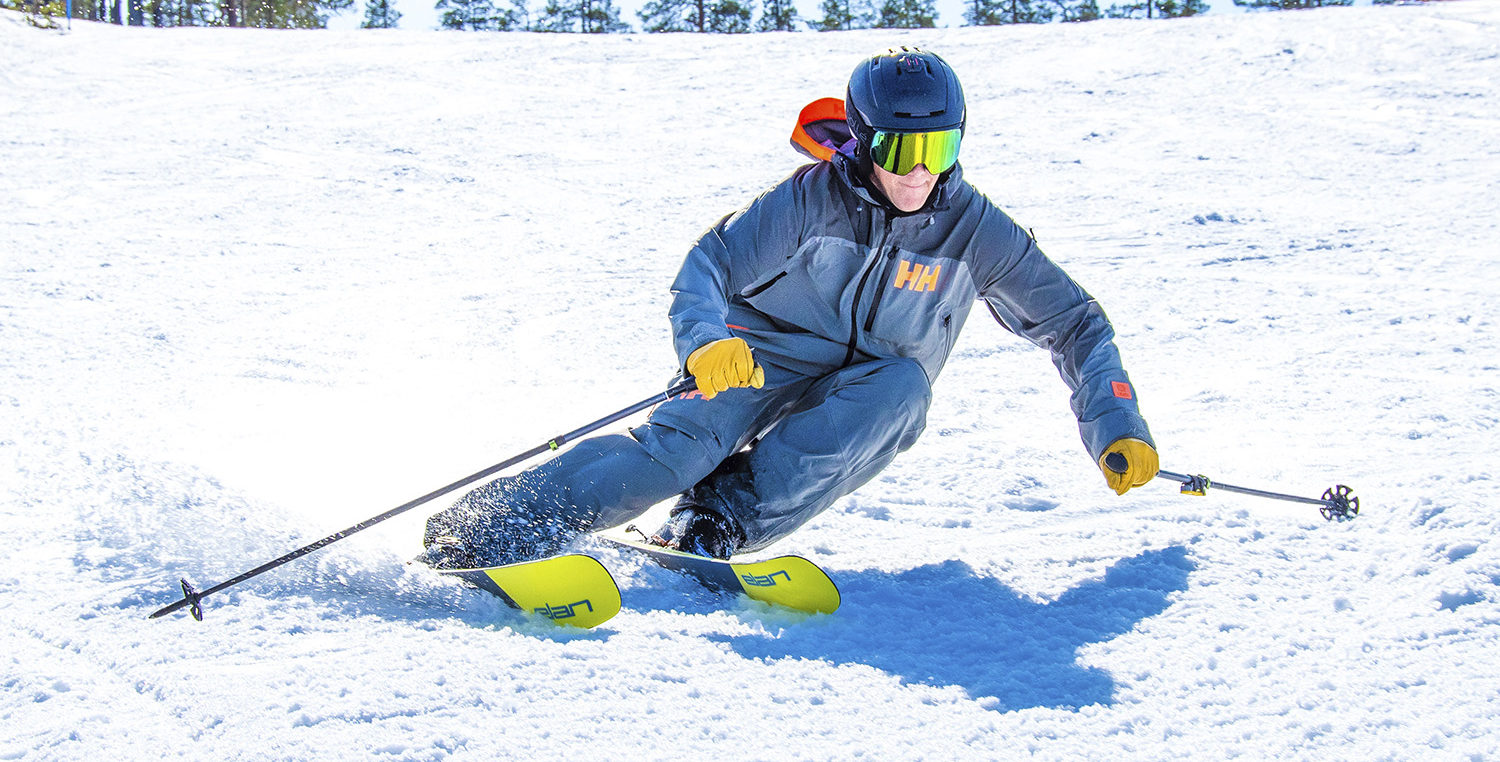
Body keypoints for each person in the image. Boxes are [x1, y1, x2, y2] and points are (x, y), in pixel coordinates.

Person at [420, 47, 1158, 568]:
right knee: (669, 456)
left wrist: (1117, 424)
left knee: (904, 390)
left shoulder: (977, 231)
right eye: (902, 152)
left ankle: (717, 519)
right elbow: (708, 264)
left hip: (866, 386)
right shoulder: (812, 197)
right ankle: (490, 525)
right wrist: (705, 342)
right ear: (865, 140)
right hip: (757, 355)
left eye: (940, 146)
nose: (922, 171)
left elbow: (1077, 325)